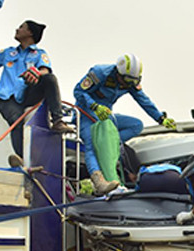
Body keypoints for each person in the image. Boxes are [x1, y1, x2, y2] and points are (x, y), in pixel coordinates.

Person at [0, 20, 74, 158]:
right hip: (7, 97)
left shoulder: (39, 53)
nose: (17, 29)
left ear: (29, 32)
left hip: (28, 92)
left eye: (21, 27)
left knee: (50, 79)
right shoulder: (8, 53)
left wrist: (35, 73)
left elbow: (45, 70)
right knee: (17, 122)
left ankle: (58, 121)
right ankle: (22, 159)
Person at [74, 54, 177, 195]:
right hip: (86, 114)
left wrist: (160, 118)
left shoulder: (130, 81)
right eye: (126, 81)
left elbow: (143, 100)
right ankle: (99, 181)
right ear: (118, 73)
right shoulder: (100, 73)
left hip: (107, 117)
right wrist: (95, 106)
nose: (127, 85)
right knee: (92, 145)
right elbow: (78, 91)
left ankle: (109, 145)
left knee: (136, 125)